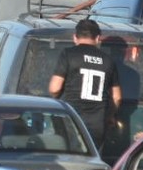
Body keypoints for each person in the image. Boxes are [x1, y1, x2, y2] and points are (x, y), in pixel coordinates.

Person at [47, 19, 123, 160]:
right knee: (92, 164)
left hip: (71, 121)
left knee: (69, 161)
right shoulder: (108, 60)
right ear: (98, 38)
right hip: (97, 124)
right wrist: (109, 115)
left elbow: (54, 88)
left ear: (75, 37)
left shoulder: (68, 54)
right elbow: (117, 97)